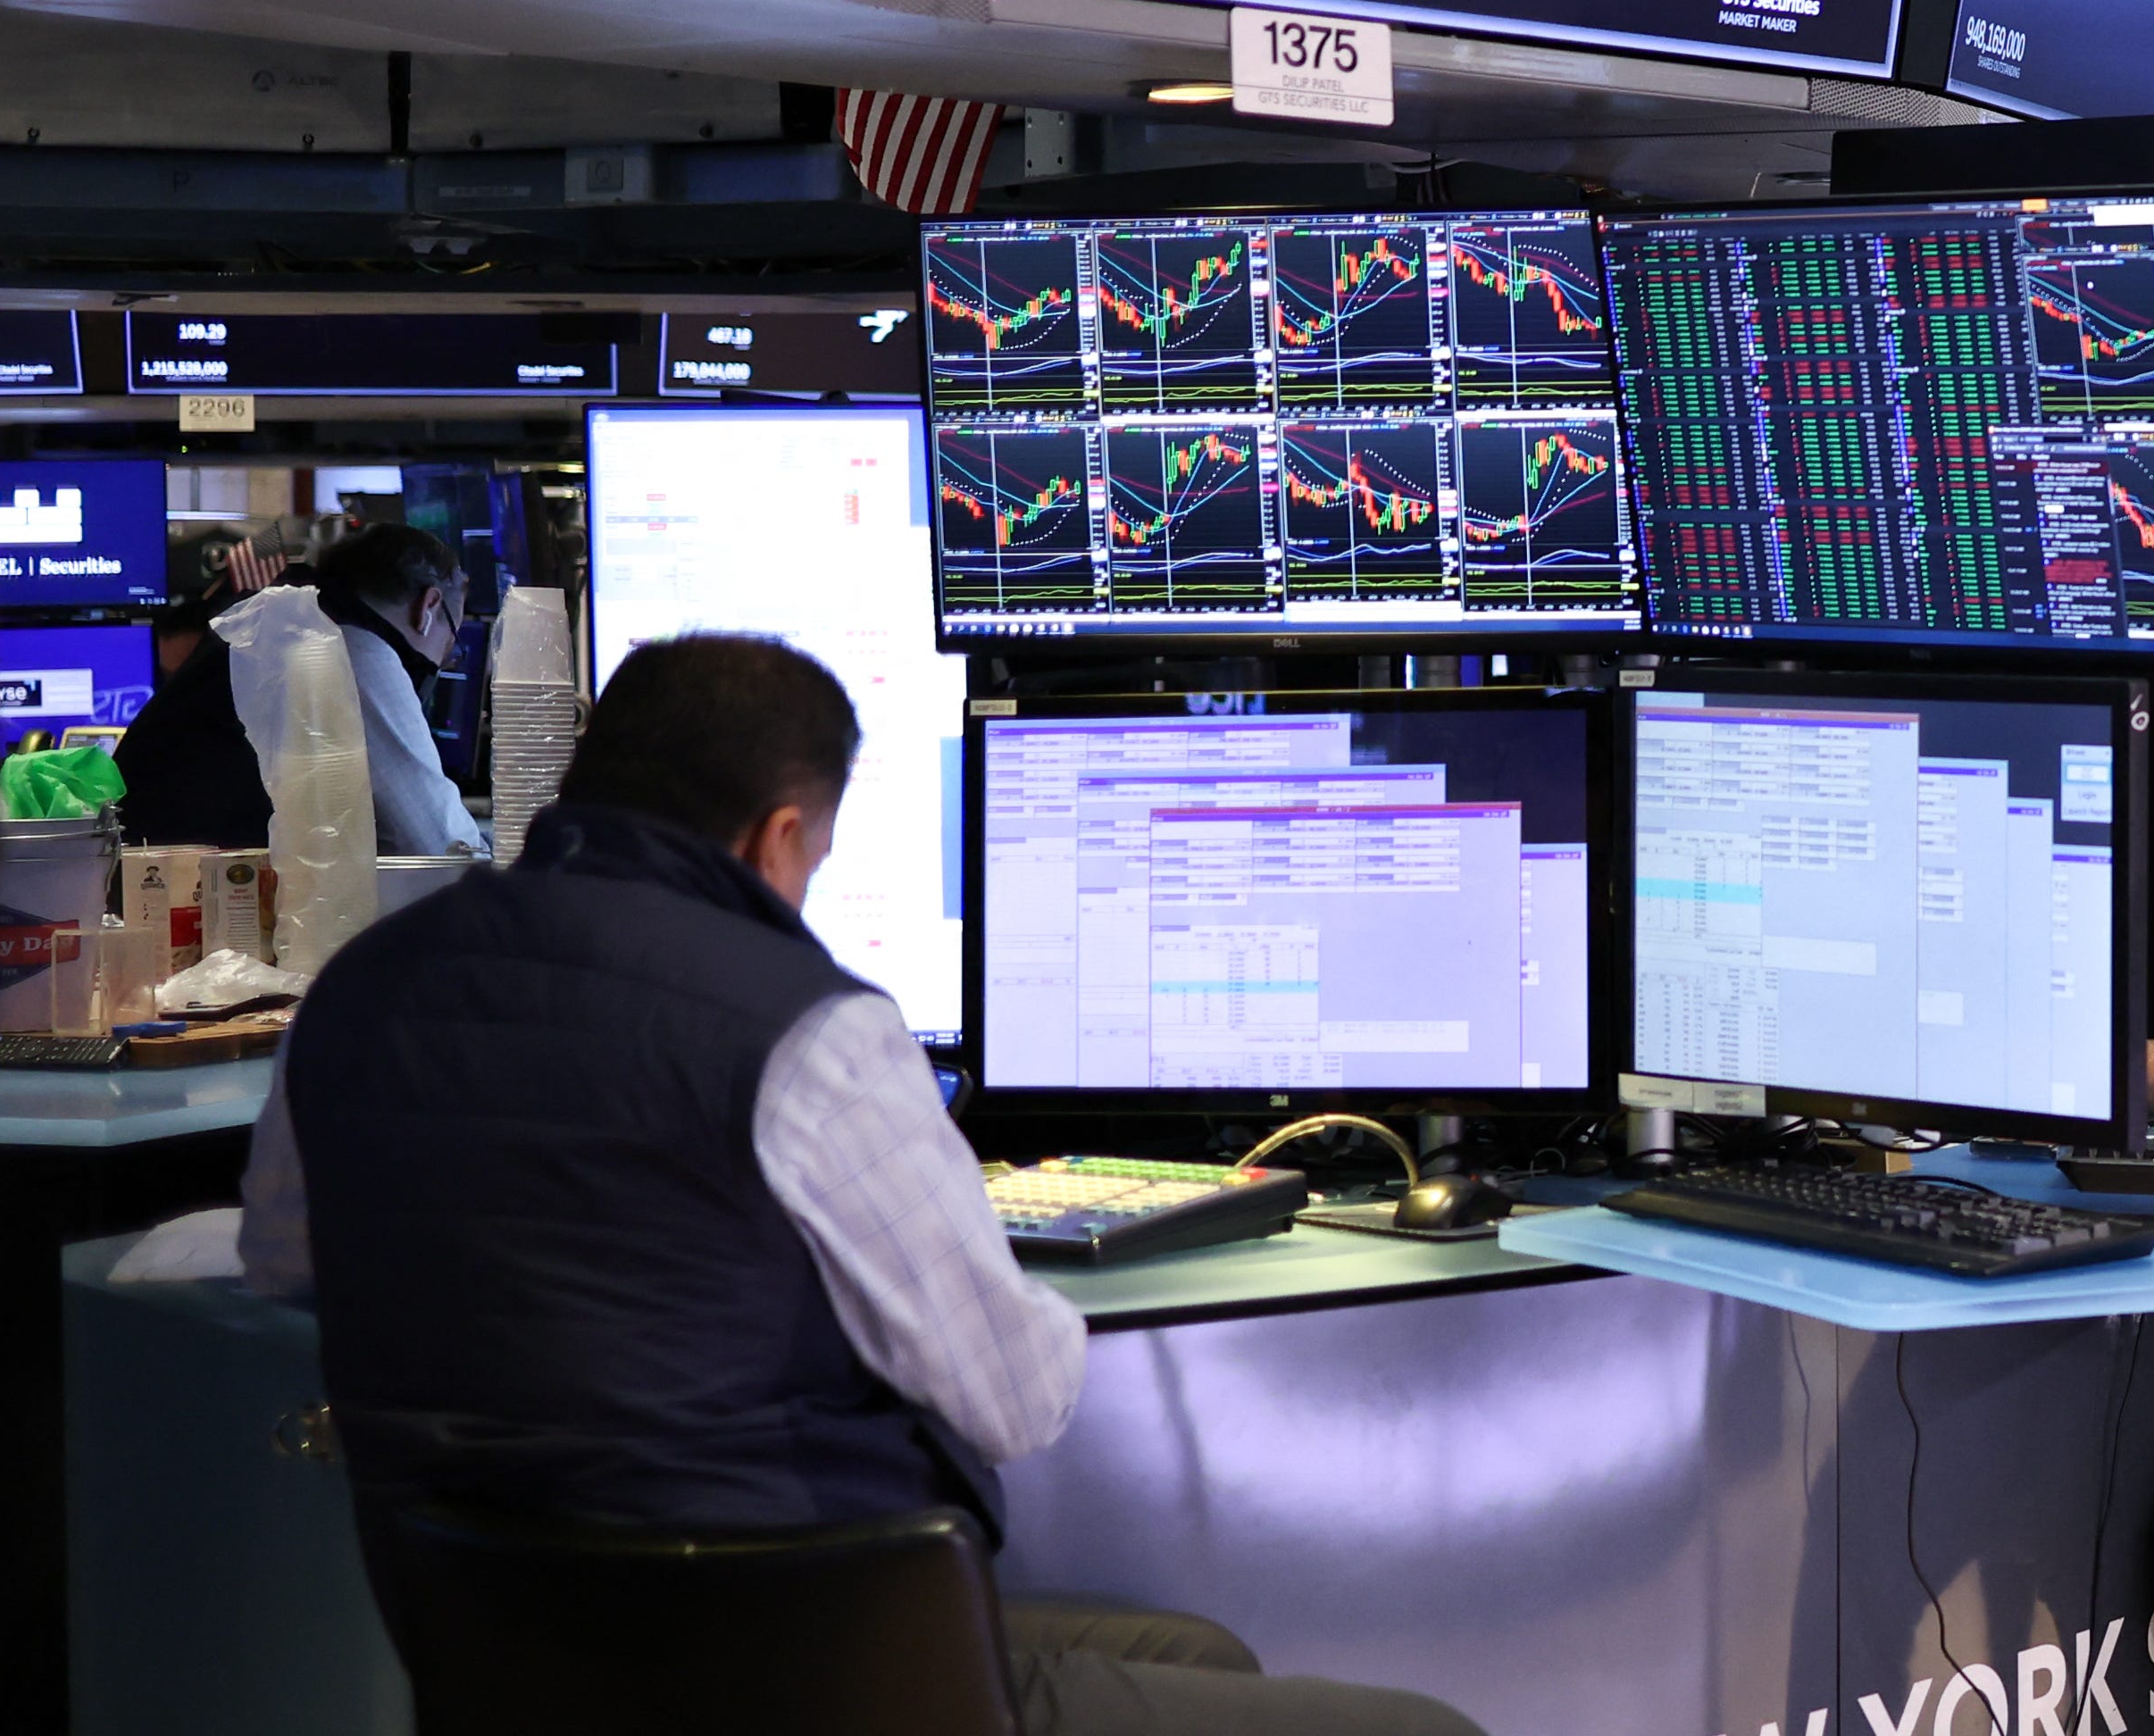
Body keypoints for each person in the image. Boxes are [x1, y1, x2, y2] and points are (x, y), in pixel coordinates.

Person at [240, 635, 1478, 1736]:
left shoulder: (357, 992)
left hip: (510, 1664)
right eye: (817, 854)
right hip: (803, 1668)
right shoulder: (801, 1030)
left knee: (1193, 1656)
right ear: (781, 833)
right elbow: (1015, 1399)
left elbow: (286, 1260)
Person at [114, 520, 487, 855]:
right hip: (191, 894)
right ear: (429, 608)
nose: (445, 658)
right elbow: (437, 844)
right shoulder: (351, 648)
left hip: (157, 875)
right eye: (451, 640)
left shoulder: (291, 623)